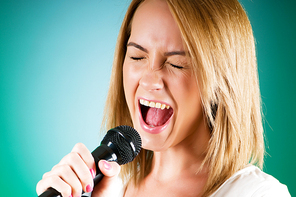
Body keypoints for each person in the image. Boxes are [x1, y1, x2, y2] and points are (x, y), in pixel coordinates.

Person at [36, 0, 291, 196]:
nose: (149, 80)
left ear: (223, 80)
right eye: (137, 57)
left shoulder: (258, 193)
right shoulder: (109, 187)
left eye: (178, 64)